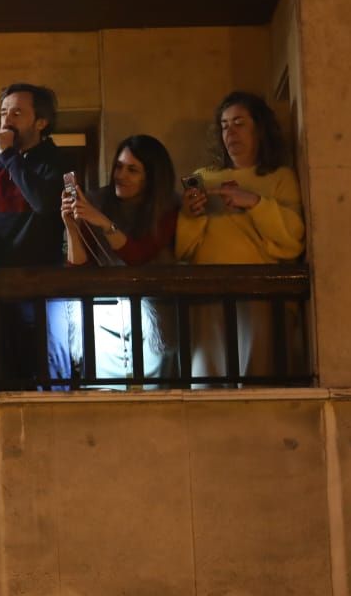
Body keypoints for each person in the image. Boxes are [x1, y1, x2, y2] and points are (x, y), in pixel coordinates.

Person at [177, 91, 304, 381]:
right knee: (207, 382)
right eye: (224, 125)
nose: (230, 132)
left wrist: (255, 203)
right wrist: (190, 215)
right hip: (207, 295)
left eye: (238, 123)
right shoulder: (204, 178)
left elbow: (293, 239)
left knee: (259, 381)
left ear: (259, 128)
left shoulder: (279, 177)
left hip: (261, 294)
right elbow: (183, 249)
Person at [0, 82, 74, 385]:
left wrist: (8, 155)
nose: (7, 119)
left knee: (40, 373)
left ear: (41, 122)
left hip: (39, 286)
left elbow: (43, 203)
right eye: (4, 111)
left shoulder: (54, 160)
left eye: (18, 112)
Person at [63, 134, 179, 382]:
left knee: (153, 393)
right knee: (104, 395)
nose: (121, 175)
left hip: (152, 316)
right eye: (119, 166)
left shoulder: (167, 207)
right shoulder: (97, 201)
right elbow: (77, 269)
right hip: (102, 317)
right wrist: (72, 226)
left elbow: (139, 255)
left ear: (151, 177)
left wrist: (103, 222)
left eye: (132, 170)